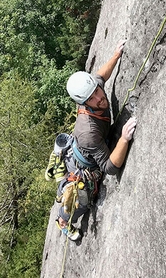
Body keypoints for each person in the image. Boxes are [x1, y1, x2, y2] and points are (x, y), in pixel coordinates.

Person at [55, 40, 137, 240]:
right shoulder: (89, 131)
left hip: (85, 148)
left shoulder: (92, 90)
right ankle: (62, 221)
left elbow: (100, 76)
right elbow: (109, 168)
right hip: (84, 166)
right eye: (92, 98)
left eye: (97, 92)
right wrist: (123, 140)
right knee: (79, 199)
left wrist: (116, 55)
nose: (100, 98)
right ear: (84, 103)